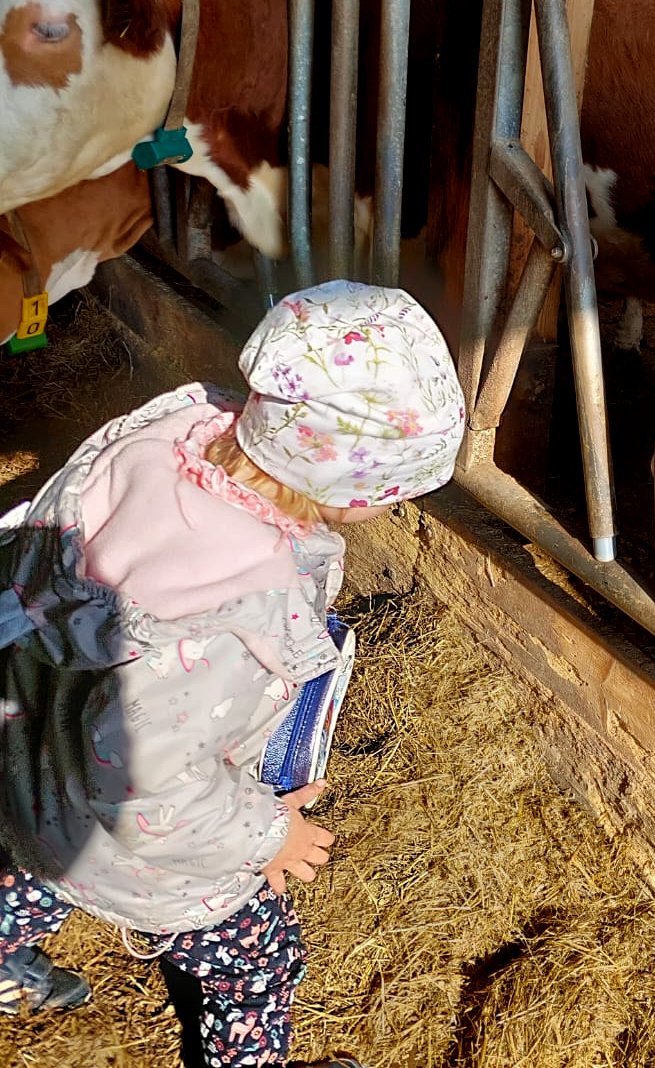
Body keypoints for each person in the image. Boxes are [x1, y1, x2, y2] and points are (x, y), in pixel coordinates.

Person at [0, 280, 466, 1068]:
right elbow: (146, 791)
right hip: (136, 855)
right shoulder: (222, 616)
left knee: (28, 876)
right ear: (349, 491)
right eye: (396, 492)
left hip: (29, 768)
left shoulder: (170, 443)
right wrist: (268, 833)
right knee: (257, 969)